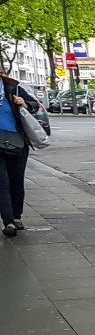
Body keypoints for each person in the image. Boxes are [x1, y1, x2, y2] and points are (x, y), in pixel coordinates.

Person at [0, 74, 37, 237]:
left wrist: (24, 103)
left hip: (18, 143)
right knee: (2, 184)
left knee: (16, 182)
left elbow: (35, 105)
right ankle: (8, 222)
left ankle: (16, 217)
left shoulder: (13, 88)